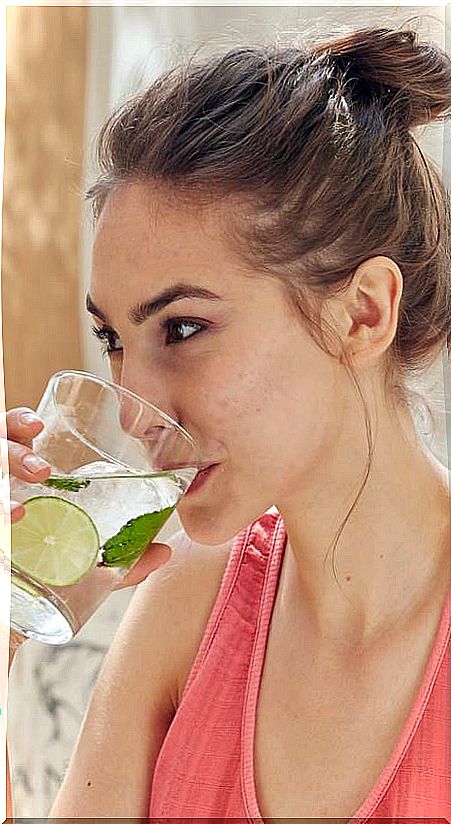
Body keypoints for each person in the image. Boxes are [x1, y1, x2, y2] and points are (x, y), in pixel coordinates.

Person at [6, 24, 451, 820]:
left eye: (180, 329)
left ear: (361, 313)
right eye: (113, 340)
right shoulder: (190, 601)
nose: (135, 407)